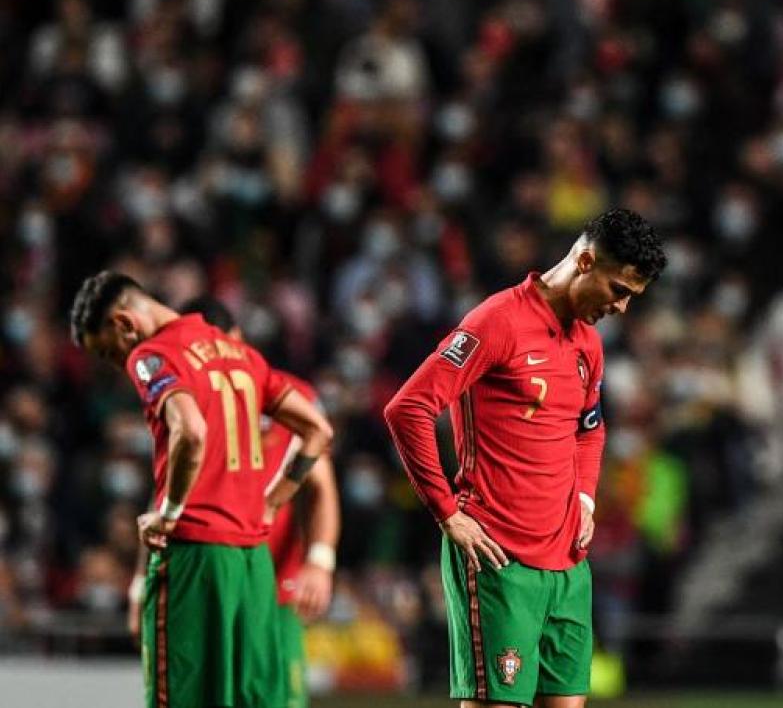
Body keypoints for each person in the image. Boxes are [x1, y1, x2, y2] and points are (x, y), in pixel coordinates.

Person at [383, 208, 666, 707]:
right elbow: (408, 408)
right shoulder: (497, 322)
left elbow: (590, 431)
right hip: (498, 558)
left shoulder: (588, 343)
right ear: (584, 261)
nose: (622, 308)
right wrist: (447, 512)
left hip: (568, 564)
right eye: (618, 291)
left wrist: (585, 498)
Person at [70, 271, 334, 708]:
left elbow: (189, 430)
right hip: (254, 562)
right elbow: (318, 430)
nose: (118, 363)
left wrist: (170, 512)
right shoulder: (240, 354)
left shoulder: (152, 355)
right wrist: (274, 499)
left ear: (123, 323)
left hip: (194, 553)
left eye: (108, 352)